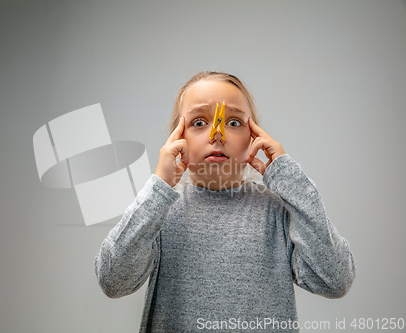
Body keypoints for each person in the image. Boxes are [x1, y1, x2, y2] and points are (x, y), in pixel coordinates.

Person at [94, 71, 356, 332]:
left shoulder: (276, 212)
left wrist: (289, 178)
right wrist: (158, 187)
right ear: (177, 138)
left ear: (253, 137)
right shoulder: (159, 211)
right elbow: (113, 280)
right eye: (199, 122)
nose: (217, 134)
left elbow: (334, 280)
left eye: (233, 122)